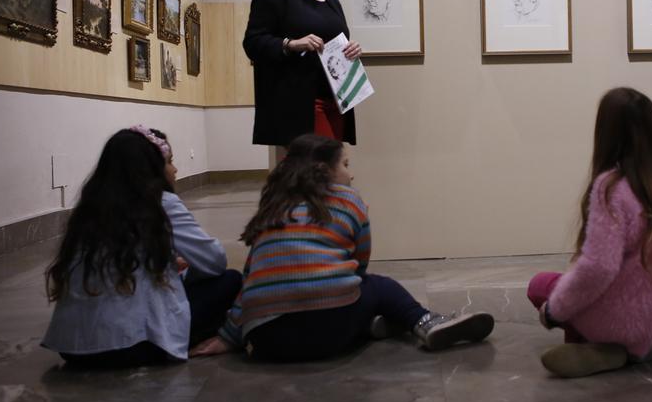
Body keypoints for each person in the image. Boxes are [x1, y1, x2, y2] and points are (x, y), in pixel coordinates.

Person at [190, 135, 495, 361]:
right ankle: (424, 322)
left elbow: (251, 279)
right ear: (324, 169)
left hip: (267, 342)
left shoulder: (272, 206)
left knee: (276, 287)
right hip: (331, 331)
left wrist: (228, 337)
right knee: (378, 286)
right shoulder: (349, 200)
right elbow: (359, 266)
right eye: (346, 165)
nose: (351, 174)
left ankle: (373, 326)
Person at [41, 127, 241, 367]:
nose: (175, 170)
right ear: (152, 169)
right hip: (134, 348)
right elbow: (214, 260)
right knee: (229, 280)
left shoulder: (90, 207)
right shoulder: (162, 204)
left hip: (74, 349)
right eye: (169, 162)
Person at [527, 87, 652, 378]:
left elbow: (598, 268)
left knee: (540, 286)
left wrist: (554, 311)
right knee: (569, 286)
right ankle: (641, 346)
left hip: (619, 322)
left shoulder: (612, 187)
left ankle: (599, 347)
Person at [243, 0, 363, 147]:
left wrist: (351, 48)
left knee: (330, 167)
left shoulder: (332, 1)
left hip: (337, 99)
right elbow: (253, 42)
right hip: (300, 101)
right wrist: (291, 44)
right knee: (315, 170)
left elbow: (336, 43)